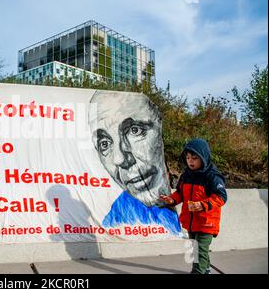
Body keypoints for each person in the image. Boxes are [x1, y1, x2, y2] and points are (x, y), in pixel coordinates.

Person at [89, 90, 181, 235]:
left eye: (135, 130)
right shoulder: (113, 222)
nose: (119, 159)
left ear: (159, 128)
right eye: (104, 144)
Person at [160, 138, 227, 274]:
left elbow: (221, 197)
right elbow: (180, 193)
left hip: (206, 222)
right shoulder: (186, 175)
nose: (190, 161)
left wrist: (203, 205)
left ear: (203, 157)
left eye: (194, 158)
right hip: (191, 222)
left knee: (199, 250)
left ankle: (198, 271)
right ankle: (206, 269)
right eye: (188, 157)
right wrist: (171, 200)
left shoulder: (212, 176)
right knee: (196, 249)